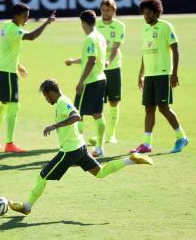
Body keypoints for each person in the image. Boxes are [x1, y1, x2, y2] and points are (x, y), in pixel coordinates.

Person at [8, 79, 153, 215]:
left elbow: (76, 116)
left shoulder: (62, 102)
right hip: (80, 147)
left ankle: (26, 207)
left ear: (51, 92)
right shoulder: (62, 101)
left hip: (70, 151)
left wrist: (55, 125)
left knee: (42, 177)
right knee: (100, 173)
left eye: (46, 96)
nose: (46, 99)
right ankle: (131, 160)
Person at [0, 3, 56, 153]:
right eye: (25, 17)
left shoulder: (6, 26)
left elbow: (8, 49)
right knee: (14, 105)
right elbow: (31, 37)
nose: (26, 20)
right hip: (7, 72)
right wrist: (46, 23)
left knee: (5, 104)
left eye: (28, 17)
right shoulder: (13, 29)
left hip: (2, 68)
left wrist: (18, 65)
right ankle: (10, 144)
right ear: (16, 15)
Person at [130, 0, 188, 154]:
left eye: (149, 12)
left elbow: (175, 49)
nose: (146, 16)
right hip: (149, 75)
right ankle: (147, 144)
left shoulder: (166, 27)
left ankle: (181, 137)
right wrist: (141, 73)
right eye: (144, 13)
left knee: (163, 108)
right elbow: (144, 53)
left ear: (157, 12)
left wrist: (174, 73)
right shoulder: (145, 29)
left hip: (163, 74)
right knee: (149, 108)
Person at [64, 10, 107, 157]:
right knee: (97, 114)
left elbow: (91, 60)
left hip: (90, 81)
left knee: (77, 113)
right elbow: (91, 58)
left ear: (83, 23)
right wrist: (73, 61)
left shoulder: (90, 38)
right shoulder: (100, 36)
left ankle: (79, 150)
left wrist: (81, 81)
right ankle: (99, 148)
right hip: (101, 79)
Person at [89, 0, 126, 145]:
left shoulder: (119, 26)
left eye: (108, 10)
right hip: (98, 69)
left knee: (114, 102)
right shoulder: (95, 25)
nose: (105, 13)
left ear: (114, 11)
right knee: (98, 103)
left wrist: (108, 61)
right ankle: (99, 135)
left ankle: (111, 135)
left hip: (114, 67)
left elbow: (116, 47)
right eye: (103, 10)